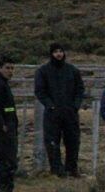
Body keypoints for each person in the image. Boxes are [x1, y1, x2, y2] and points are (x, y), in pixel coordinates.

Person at [34, 43, 85, 177]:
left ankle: (71, 169)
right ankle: (56, 170)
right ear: (51, 54)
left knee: (73, 141)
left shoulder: (72, 70)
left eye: (61, 51)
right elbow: (40, 91)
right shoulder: (43, 71)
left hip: (70, 112)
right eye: (56, 51)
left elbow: (80, 89)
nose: (58, 54)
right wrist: (50, 105)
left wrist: (75, 105)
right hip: (52, 113)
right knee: (52, 142)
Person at [0, 56, 18, 192]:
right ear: (0, 68)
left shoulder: (3, 84)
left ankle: (7, 191)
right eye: (7, 68)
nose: (10, 71)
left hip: (8, 125)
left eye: (12, 68)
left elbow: (8, 108)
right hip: (3, 129)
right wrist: (1, 124)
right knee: (6, 161)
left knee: (9, 161)